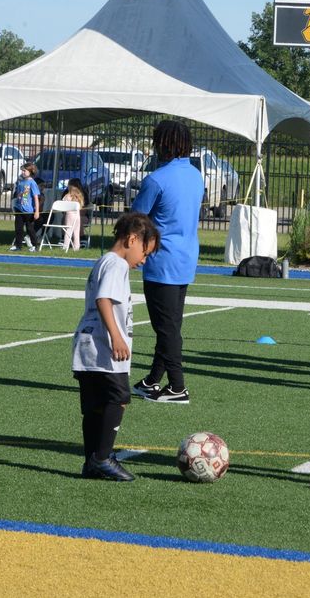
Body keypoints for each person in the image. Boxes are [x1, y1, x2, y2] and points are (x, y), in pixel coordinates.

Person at [72, 212, 160, 481]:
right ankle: (103, 457)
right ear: (132, 239)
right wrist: (117, 337)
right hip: (104, 347)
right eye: (144, 252)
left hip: (87, 347)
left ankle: (91, 461)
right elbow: (104, 300)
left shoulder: (104, 261)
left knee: (95, 405)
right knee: (119, 398)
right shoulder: (116, 265)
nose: (143, 261)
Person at [130, 120, 204, 404]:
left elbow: (136, 219)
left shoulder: (157, 179)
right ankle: (152, 380)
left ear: (164, 144)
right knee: (171, 324)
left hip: (162, 260)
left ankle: (177, 386)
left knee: (166, 327)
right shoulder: (196, 176)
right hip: (186, 258)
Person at [10, 162, 41, 251]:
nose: (23, 172)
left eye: (24, 171)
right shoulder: (21, 182)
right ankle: (18, 245)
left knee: (29, 229)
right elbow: (19, 194)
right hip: (19, 208)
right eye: (22, 171)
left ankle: (35, 245)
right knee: (18, 228)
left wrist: (37, 211)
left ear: (30, 171)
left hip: (28, 210)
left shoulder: (32, 183)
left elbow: (36, 197)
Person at [61, 177, 87, 251]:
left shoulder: (67, 196)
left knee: (68, 231)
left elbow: (63, 205)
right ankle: (76, 247)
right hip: (77, 216)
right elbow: (81, 207)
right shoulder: (79, 197)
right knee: (76, 232)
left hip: (69, 216)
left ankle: (65, 246)